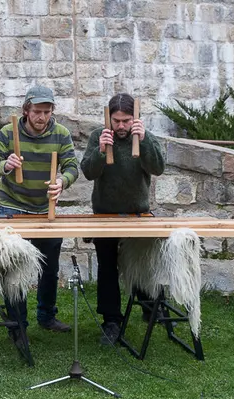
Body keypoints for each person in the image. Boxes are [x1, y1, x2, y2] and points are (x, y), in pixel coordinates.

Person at [0, 85, 80, 334]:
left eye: (47, 112)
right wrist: (5, 165)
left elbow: (72, 167)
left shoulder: (60, 134)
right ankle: (18, 324)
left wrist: (62, 182)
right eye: (37, 111)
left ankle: (46, 316)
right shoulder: (9, 133)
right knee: (15, 267)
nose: (42, 117)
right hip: (13, 206)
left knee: (49, 266)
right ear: (26, 110)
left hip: (45, 209)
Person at [80, 93, 165, 345]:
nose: (120, 126)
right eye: (116, 120)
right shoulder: (99, 135)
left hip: (138, 213)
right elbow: (88, 172)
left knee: (142, 261)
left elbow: (158, 168)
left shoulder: (145, 136)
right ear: (109, 118)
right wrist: (100, 150)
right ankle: (111, 321)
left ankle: (150, 305)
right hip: (104, 214)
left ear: (134, 118)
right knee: (107, 266)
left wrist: (145, 140)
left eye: (126, 120)